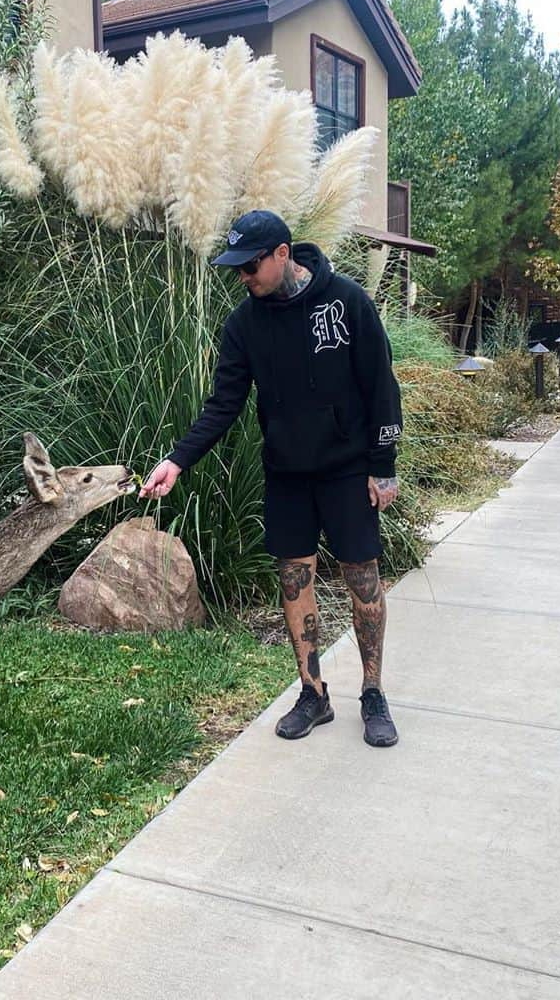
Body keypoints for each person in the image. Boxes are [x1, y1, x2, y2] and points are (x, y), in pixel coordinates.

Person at [141, 210, 402, 747]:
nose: (244, 277)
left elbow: (381, 385)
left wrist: (384, 464)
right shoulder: (243, 326)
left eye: (251, 265)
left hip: (349, 470)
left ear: (283, 254)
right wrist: (178, 460)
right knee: (293, 580)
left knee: (363, 581)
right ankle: (313, 692)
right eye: (237, 268)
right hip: (287, 473)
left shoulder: (348, 302)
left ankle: (372, 692)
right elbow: (223, 405)